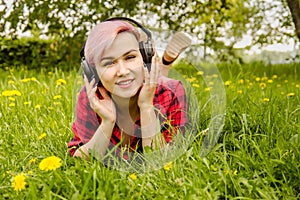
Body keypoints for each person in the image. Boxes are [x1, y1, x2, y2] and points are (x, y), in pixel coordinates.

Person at [68, 19, 191, 160]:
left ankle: (164, 63)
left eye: (130, 57)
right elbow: (78, 159)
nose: (122, 71)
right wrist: (107, 123)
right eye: (109, 62)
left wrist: (146, 107)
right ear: (93, 72)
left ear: (145, 58)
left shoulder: (172, 91)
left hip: (156, 83)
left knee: (158, 80)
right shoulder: (91, 97)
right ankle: (164, 62)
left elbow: (162, 159)